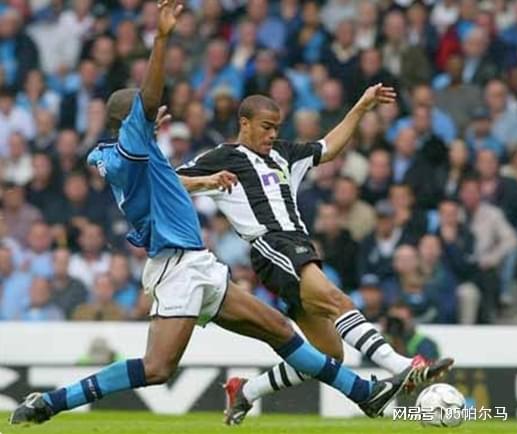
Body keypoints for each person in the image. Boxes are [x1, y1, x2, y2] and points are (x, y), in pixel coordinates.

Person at [10, 1, 417, 426]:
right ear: (132, 120)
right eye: (147, 114)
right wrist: (162, 39)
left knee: (280, 329)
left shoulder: (125, 155)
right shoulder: (132, 145)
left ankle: (363, 392)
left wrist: (204, 180)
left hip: (199, 263)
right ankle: (52, 401)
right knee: (157, 368)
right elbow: (148, 99)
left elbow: (164, 179)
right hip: (177, 267)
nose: (155, 113)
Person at [177, 81, 453, 423]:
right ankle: (402, 366)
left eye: (277, 127)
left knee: (328, 354)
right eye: (266, 127)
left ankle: (246, 391)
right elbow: (169, 181)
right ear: (244, 123)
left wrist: (361, 107)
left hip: (298, 246)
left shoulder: (284, 153)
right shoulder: (222, 158)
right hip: (272, 245)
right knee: (338, 300)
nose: (272, 134)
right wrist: (205, 182)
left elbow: (328, 147)